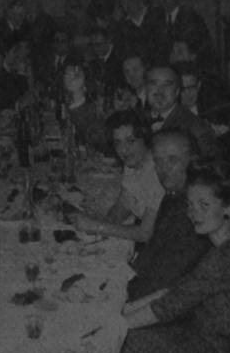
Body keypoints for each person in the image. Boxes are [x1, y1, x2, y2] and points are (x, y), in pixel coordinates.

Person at [117, 161, 230, 353]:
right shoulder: (228, 246)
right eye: (190, 204)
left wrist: (112, 327)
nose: (193, 212)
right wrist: (121, 311)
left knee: (125, 346)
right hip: (207, 346)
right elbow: (176, 291)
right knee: (130, 336)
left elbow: (166, 307)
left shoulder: (227, 257)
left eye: (204, 204)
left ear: (228, 209)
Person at [126, 129, 211, 301]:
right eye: (158, 160)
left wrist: (125, 294)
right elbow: (153, 252)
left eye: (173, 160)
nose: (163, 169)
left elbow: (167, 282)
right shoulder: (173, 196)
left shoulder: (194, 212)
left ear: (193, 161)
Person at [71, 110, 163, 243]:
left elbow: (145, 233)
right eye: (118, 143)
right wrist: (101, 221)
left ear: (145, 139)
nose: (124, 150)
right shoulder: (133, 162)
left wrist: (97, 226)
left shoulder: (158, 171)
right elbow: (123, 205)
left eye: (130, 141)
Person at [145, 64, 219, 158]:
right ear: (146, 88)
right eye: (153, 83)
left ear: (177, 91)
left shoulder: (197, 128)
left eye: (167, 84)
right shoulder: (137, 118)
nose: (160, 90)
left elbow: (209, 163)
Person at [62, 62, 109, 153]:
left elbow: (96, 139)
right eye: (66, 74)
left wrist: (77, 92)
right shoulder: (78, 105)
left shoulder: (97, 109)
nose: (69, 77)